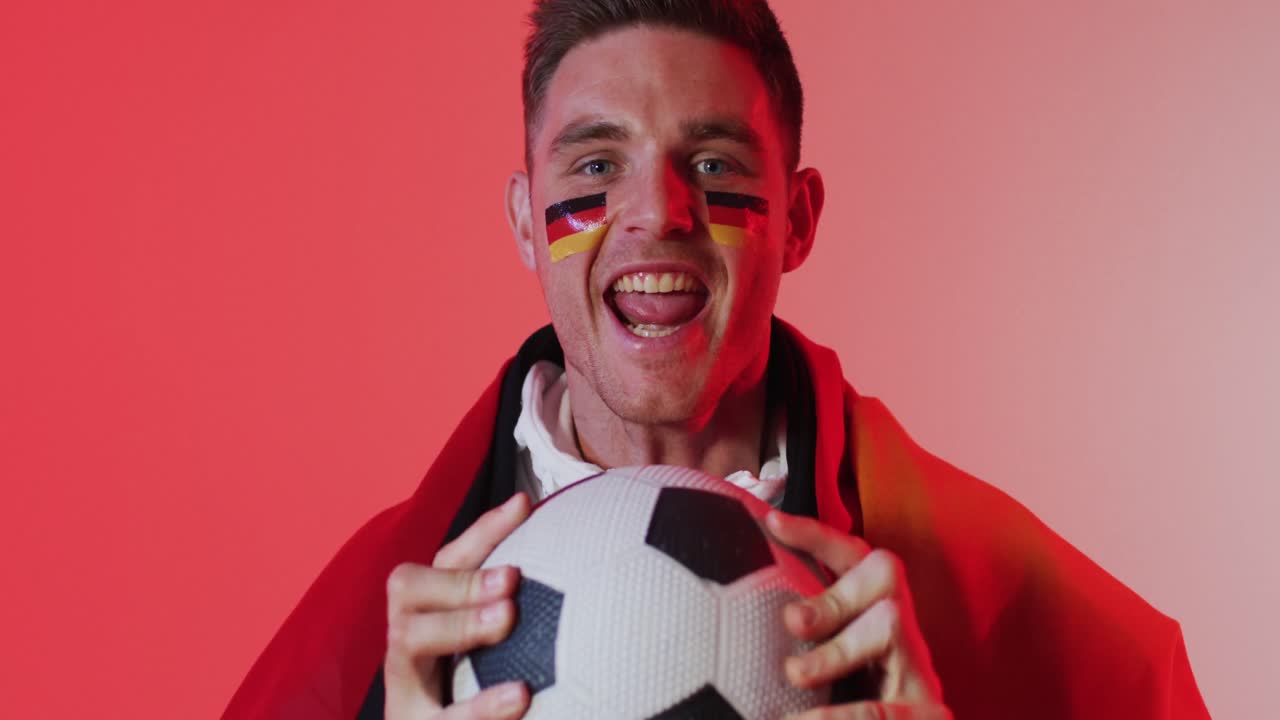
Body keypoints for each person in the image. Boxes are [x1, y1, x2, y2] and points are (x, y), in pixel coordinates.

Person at [226, 1, 1210, 718]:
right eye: (595, 166)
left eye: (713, 165)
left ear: (797, 219)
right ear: (527, 224)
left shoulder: (1028, 619)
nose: (656, 214)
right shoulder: (361, 627)